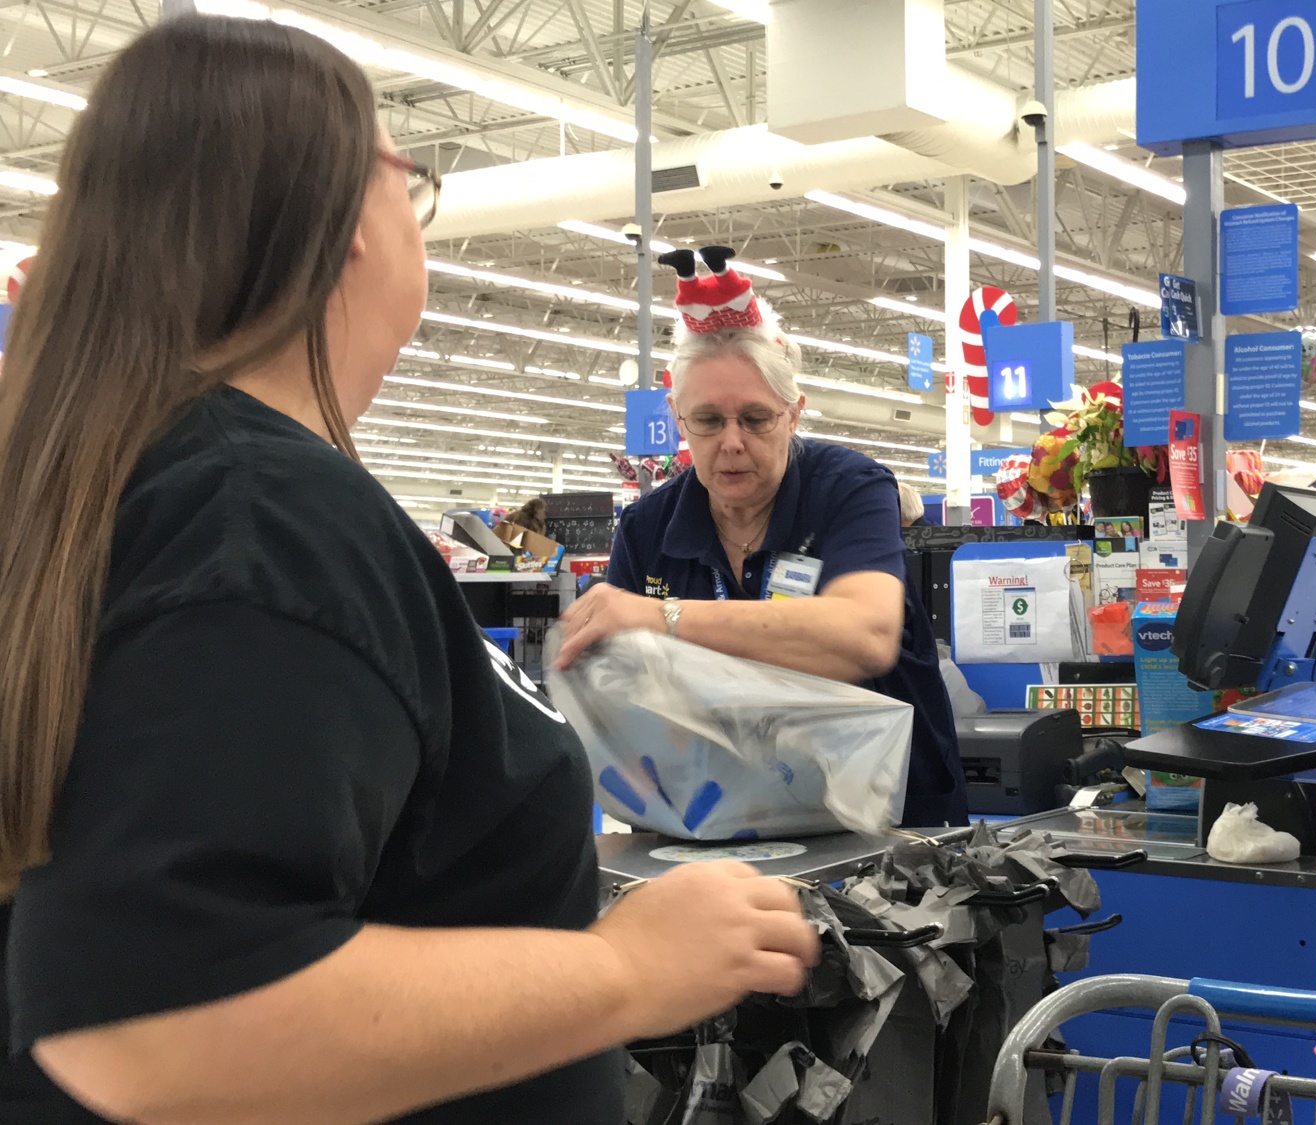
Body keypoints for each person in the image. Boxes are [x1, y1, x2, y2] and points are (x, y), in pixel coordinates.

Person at [0, 19, 816, 1125]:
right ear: (341, 223)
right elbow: (161, 1027)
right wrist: (628, 972)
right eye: (409, 180)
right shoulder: (260, 516)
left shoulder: (138, 482)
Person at [555, 256, 969, 829]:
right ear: (677, 419)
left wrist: (660, 617)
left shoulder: (849, 490)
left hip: (883, 821)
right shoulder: (648, 528)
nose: (731, 442)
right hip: (716, 821)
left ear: (793, 415)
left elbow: (864, 637)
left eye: (755, 418)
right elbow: (626, 696)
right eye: (707, 421)